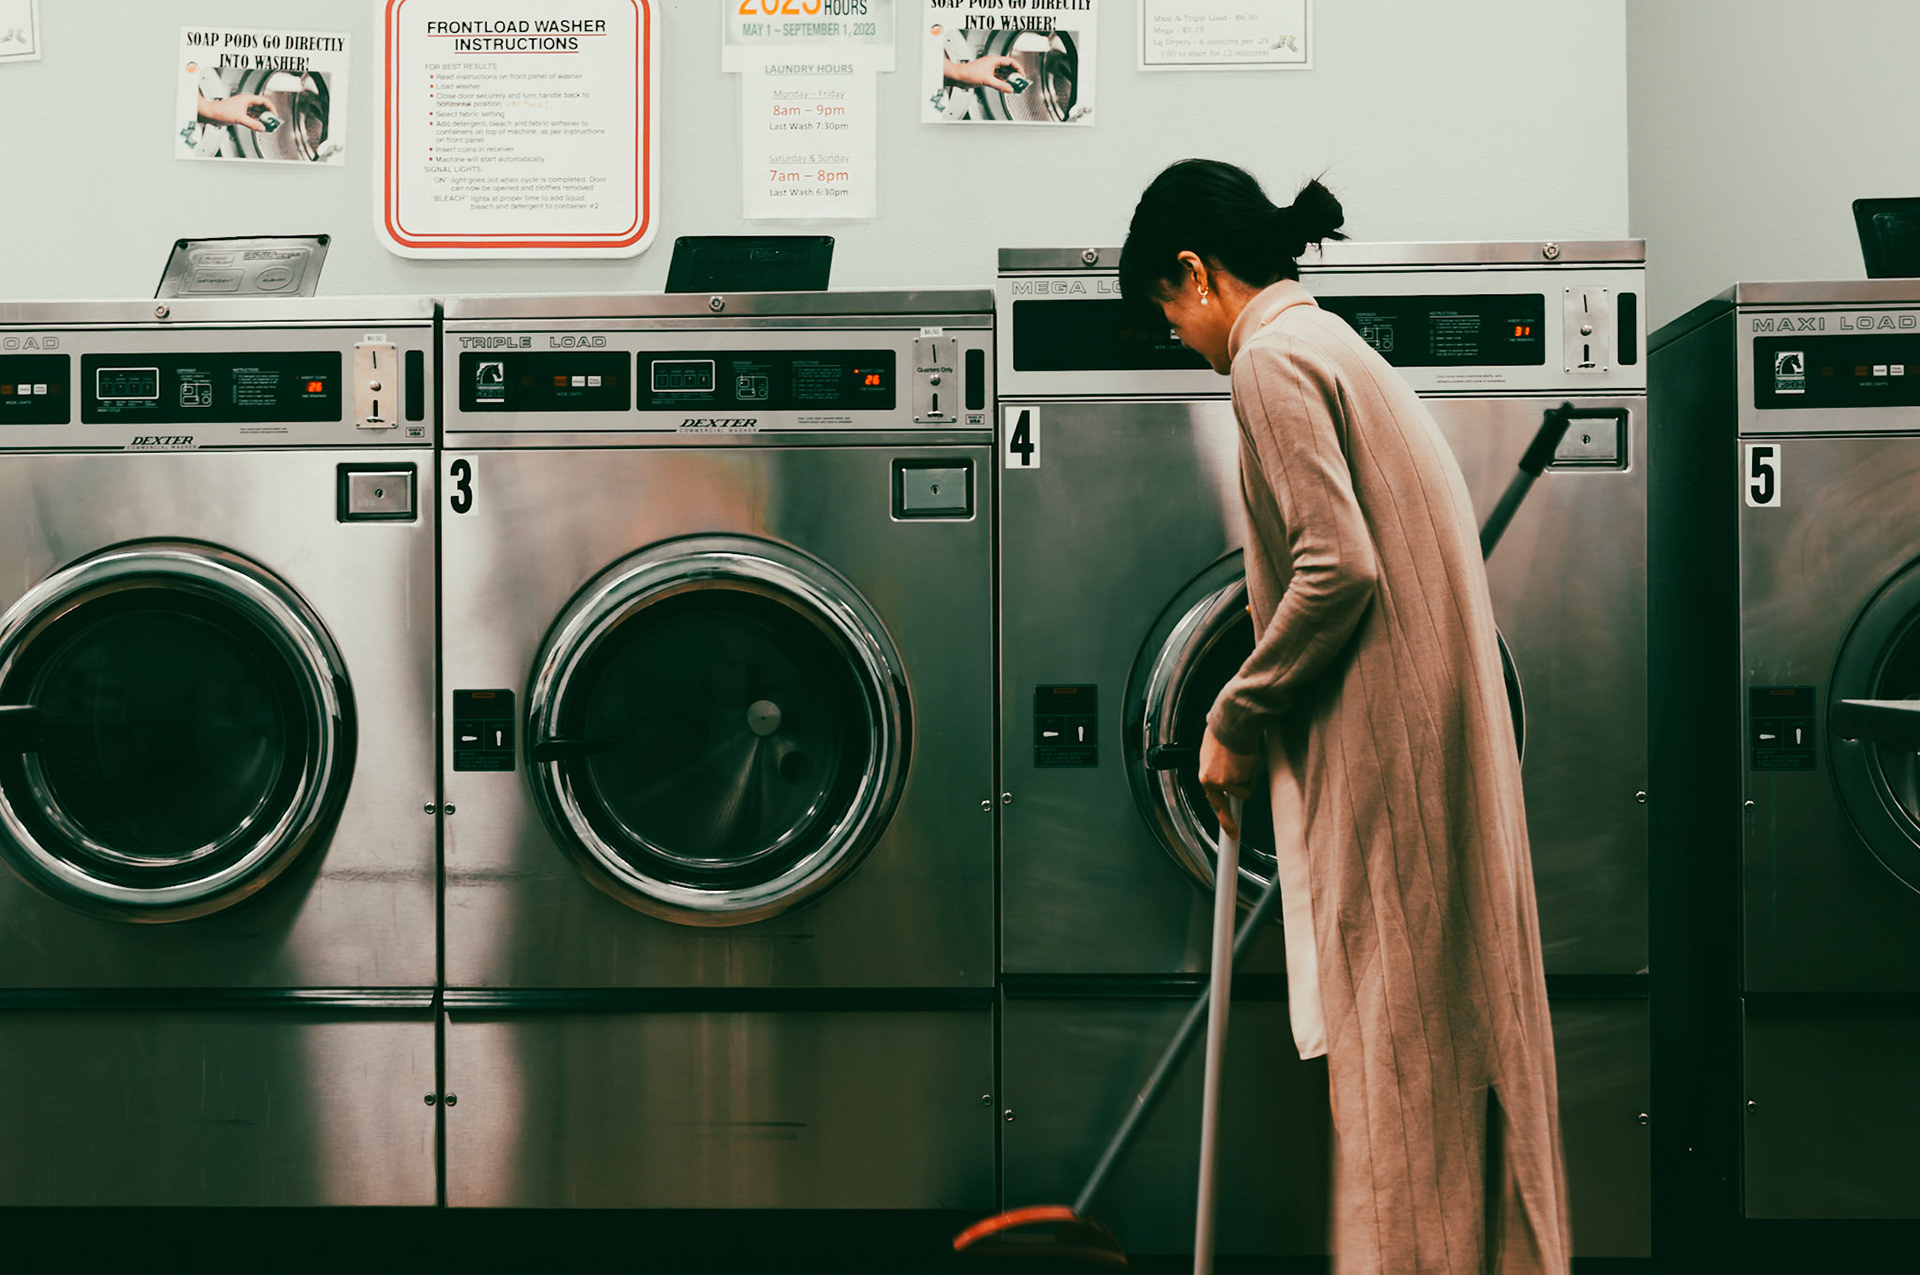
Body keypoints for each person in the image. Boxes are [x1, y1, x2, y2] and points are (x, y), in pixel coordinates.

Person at [1118, 160, 1571, 1274]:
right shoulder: (1338, 349)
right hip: (1439, 763)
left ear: (1195, 271)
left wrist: (1236, 708)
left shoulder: (1271, 363)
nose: (1178, 337)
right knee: (1449, 1069)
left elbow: (1337, 569)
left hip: (1394, 780)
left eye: (1167, 313)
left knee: (1401, 1075)